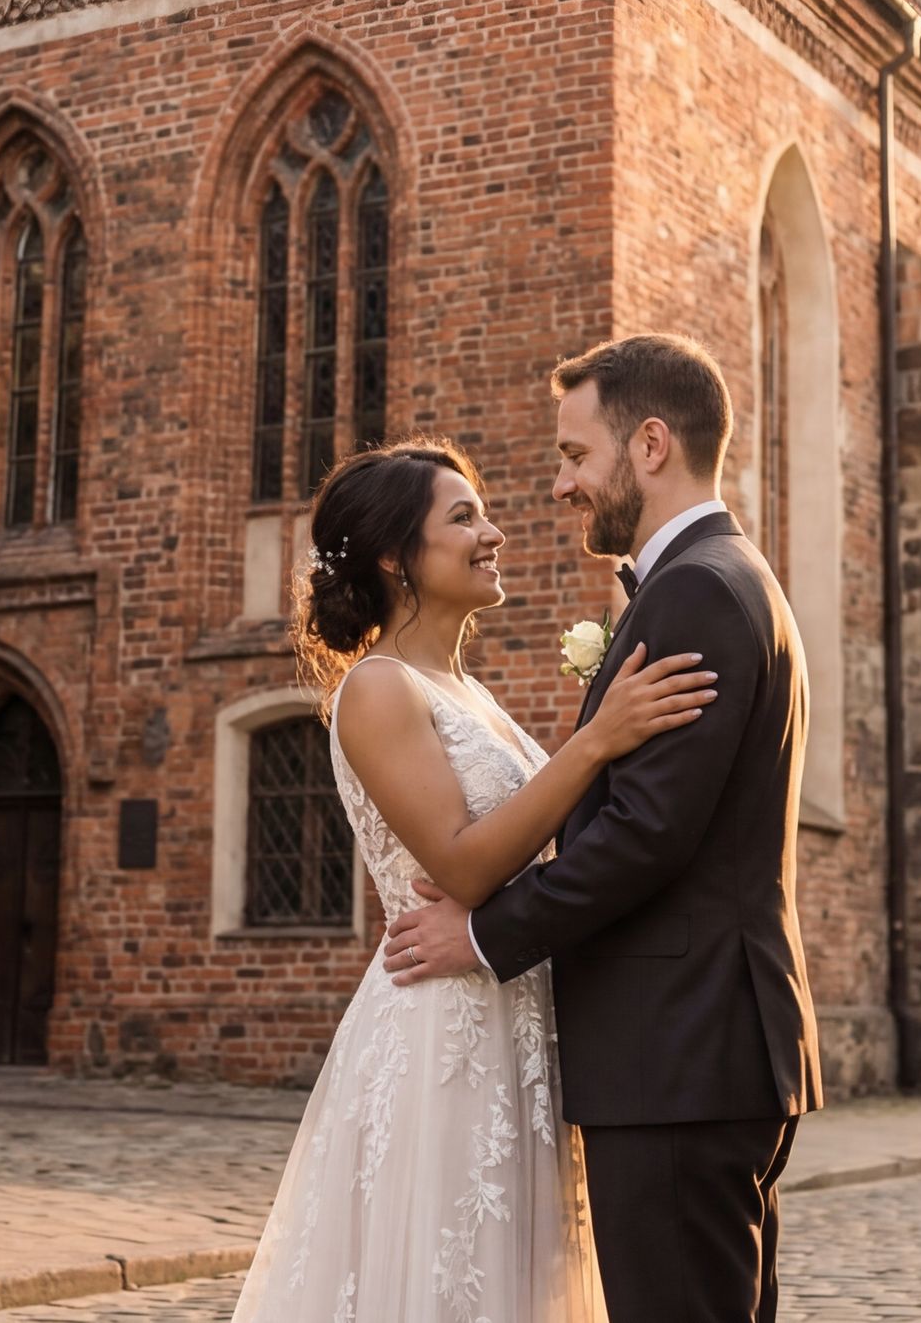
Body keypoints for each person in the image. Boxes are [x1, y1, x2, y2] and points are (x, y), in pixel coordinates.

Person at [385, 335, 823, 1323]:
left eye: (577, 456)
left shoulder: (700, 590)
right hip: (701, 1047)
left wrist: (483, 933)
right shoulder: (717, 576)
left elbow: (646, 833)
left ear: (652, 445)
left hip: (680, 1050)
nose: (560, 485)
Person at [231, 438, 716, 1322]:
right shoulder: (378, 686)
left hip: (514, 1010)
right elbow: (462, 860)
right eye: (463, 517)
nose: (492, 532)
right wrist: (598, 740)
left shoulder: (467, 691)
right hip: (439, 1023)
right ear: (392, 554)